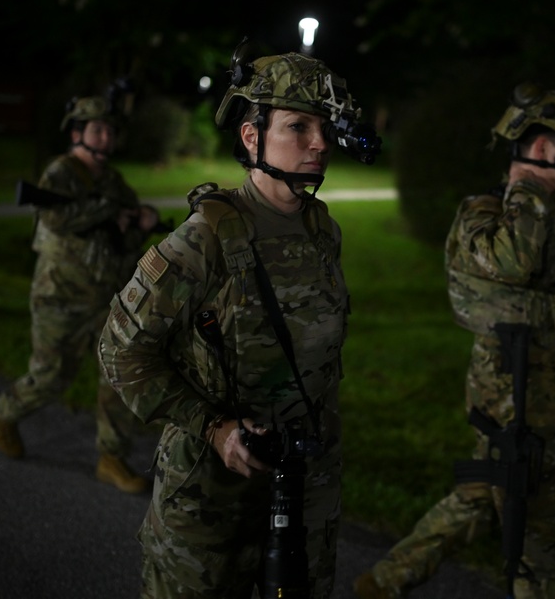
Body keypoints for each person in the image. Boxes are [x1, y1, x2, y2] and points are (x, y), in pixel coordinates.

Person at [97, 45, 381, 598]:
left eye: (324, 126)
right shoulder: (205, 239)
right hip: (210, 496)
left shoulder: (323, 231)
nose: (319, 143)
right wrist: (213, 426)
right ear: (252, 138)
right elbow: (120, 350)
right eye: (298, 126)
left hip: (303, 489)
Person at [354, 82, 555, 599]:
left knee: (478, 495)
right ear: (546, 149)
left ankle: (383, 581)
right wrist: (527, 186)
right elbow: (511, 293)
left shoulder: (553, 213)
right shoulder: (485, 216)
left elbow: (545, 304)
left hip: (539, 393)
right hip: (512, 407)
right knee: (541, 546)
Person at [0, 91, 162, 494]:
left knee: (119, 374)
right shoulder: (61, 174)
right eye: (97, 130)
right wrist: (108, 212)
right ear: (78, 133)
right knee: (51, 377)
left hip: (107, 298)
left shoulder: (114, 181)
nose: (105, 139)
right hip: (60, 296)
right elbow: (56, 218)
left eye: (110, 132)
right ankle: (2, 412)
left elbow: (126, 235)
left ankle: (112, 457)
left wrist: (141, 220)